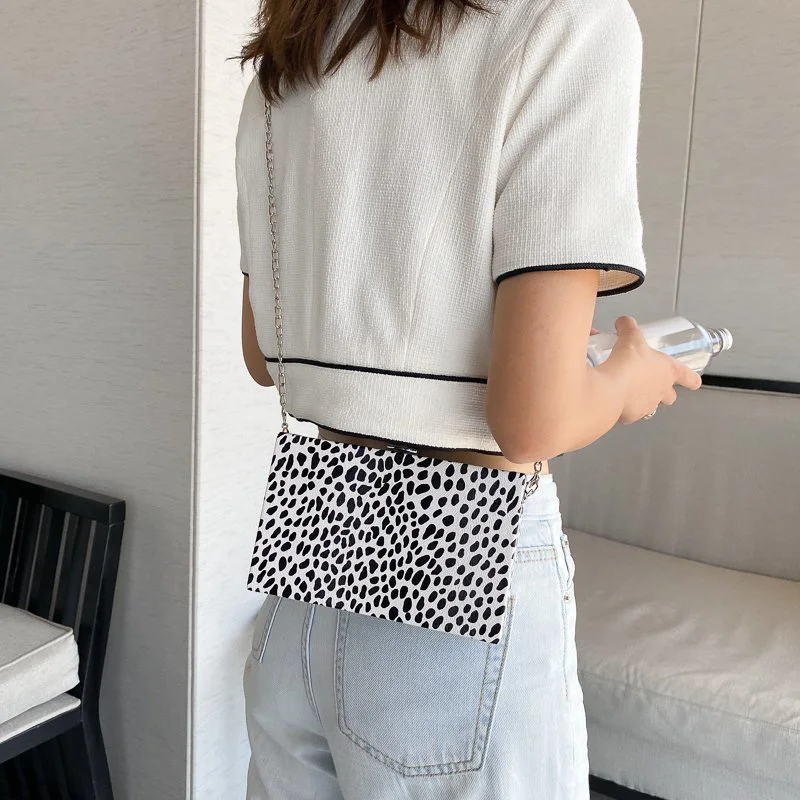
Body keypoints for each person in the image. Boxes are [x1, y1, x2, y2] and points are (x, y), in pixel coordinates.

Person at [235, 0, 702, 797]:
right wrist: (628, 378)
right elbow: (534, 420)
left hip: (309, 556)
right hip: (461, 561)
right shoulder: (566, 20)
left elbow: (263, 354)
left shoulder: (296, 48)